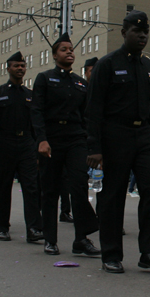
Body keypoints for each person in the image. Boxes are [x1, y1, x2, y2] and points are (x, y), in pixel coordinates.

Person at [85, 10, 150, 275]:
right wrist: (95, 148)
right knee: (112, 196)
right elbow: (94, 108)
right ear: (124, 33)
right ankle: (111, 254)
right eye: (137, 32)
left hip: (145, 136)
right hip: (116, 135)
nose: (143, 36)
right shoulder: (107, 64)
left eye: (145, 32)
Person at [31, 33, 100, 257]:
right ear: (54, 55)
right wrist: (41, 139)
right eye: (64, 49)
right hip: (51, 138)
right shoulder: (44, 78)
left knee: (79, 184)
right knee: (50, 190)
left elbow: (87, 116)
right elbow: (37, 111)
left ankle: (81, 239)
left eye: (71, 49)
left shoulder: (80, 82)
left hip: (75, 138)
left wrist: (90, 145)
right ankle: (50, 239)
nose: (69, 52)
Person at [0, 52, 44, 243]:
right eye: (16, 65)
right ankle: (2, 228)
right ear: (8, 68)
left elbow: (36, 124)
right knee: (3, 188)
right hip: (5, 145)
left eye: (23, 65)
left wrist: (36, 149)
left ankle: (34, 229)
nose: (20, 69)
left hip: (26, 144)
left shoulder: (29, 95)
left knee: (31, 188)